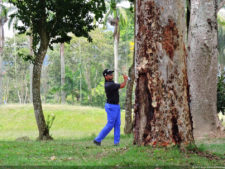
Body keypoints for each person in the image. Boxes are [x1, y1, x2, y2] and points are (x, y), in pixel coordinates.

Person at [93, 69, 128, 146]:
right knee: (110, 124)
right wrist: (125, 80)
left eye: (112, 74)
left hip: (116, 106)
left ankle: (116, 142)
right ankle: (97, 139)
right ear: (105, 76)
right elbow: (122, 85)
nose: (111, 75)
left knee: (117, 124)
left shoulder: (111, 83)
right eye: (109, 74)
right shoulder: (109, 85)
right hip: (111, 107)